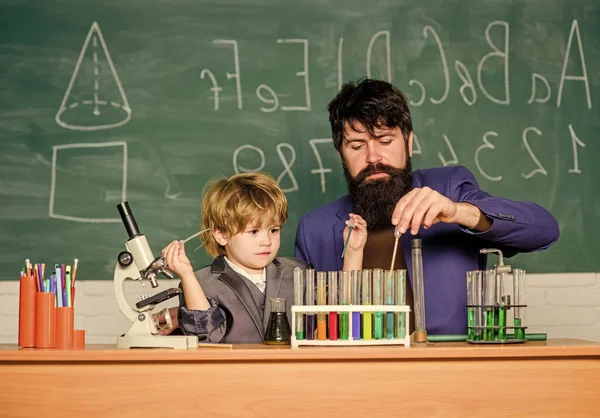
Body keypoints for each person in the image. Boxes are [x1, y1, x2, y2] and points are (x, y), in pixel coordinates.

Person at [294, 78, 560, 335]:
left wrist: (459, 212)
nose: (373, 157)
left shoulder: (450, 188)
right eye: (356, 146)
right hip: (357, 377)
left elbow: (545, 230)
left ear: (409, 144)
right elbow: (303, 335)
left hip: (449, 374)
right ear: (341, 154)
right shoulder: (314, 229)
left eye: (385, 141)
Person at [160, 172, 308, 343]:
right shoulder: (201, 284)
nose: (266, 241)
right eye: (253, 232)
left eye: (274, 230)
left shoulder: (299, 273)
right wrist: (186, 275)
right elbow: (206, 339)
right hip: (230, 370)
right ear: (221, 235)